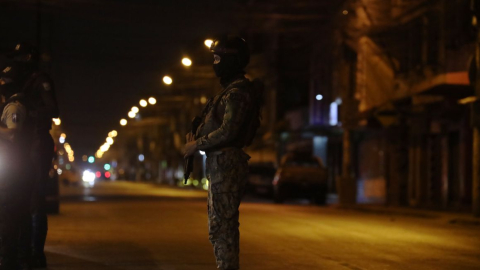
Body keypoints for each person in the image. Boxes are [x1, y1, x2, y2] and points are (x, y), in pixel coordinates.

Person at [183, 35, 263, 270]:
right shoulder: (229, 91)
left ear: (232, 60)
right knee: (218, 226)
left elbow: (229, 130)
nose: (215, 63)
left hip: (227, 162)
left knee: (223, 226)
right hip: (219, 163)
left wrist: (196, 145)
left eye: (219, 58)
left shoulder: (237, 93)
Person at [8, 42, 60, 268]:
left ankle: (35, 252)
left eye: (21, 57)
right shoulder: (11, 80)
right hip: (15, 143)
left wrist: (30, 108)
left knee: (34, 200)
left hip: (37, 142)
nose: (16, 62)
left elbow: (53, 109)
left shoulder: (40, 80)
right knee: (13, 199)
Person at [0, 64, 34, 270]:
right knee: (15, 215)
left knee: (8, 216)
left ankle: (9, 260)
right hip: (16, 168)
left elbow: (13, 134)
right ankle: (18, 257)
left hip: (14, 171)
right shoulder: (14, 104)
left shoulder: (14, 107)